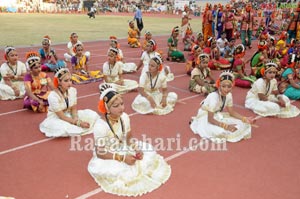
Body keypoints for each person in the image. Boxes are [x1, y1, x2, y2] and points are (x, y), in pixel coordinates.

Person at [88, 83, 171, 197]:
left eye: (122, 104)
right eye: (116, 106)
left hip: (123, 147)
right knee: (124, 172)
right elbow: (100, 152)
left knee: (146, 157)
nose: (121, 108)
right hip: (108, 154)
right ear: (106, 108)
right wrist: (122, 158)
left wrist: (136, 149)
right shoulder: (100, 126)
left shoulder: (125, 117)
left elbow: (129, 138)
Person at [190, 71, 254, 143]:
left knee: (243, 124)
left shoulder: (229, 95)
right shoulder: (214, 96)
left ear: (232, 86)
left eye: (229, 86)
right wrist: (226, 126)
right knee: (221, 132)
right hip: (206, 116)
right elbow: (210, 119)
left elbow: (231, 112)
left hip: (217, 114)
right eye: (223, 86)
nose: (226, 89)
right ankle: (198, 122)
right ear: (219, 85)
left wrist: (244, 118)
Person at [39, 67, 100, 137]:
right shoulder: (53, 96)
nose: (69, 83)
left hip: (69, 114)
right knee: (65, 129)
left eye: (70, 80)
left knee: (92, 114)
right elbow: (62, 117)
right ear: (59, 81)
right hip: (57, 118)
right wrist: (78, 123)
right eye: (66, 81)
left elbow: (73, 109)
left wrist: (76, 119)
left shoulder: (72, 91)